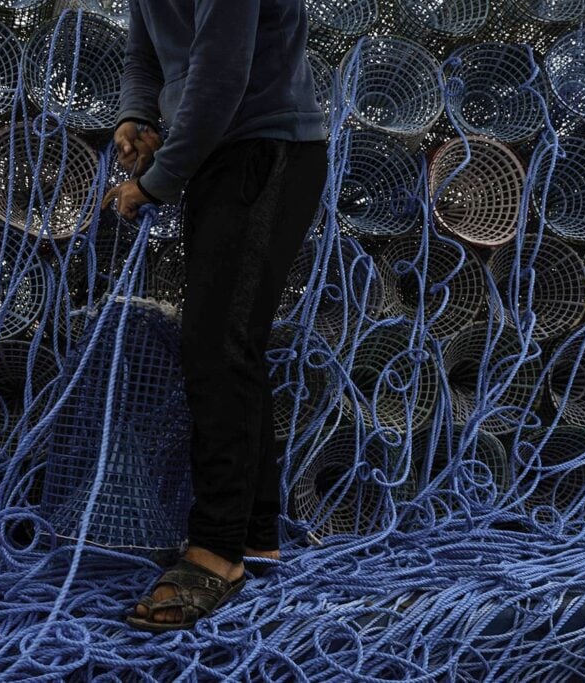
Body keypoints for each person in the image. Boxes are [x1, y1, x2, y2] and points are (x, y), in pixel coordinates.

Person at [100, 0, 329, 632]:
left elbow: (221, 74)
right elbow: (144, 56)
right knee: (231, 344)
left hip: (266, 146)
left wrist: (155, 181)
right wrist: (137, 117)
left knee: (215, 347)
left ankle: (217, 552)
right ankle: (254, 535)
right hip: (217, 154)